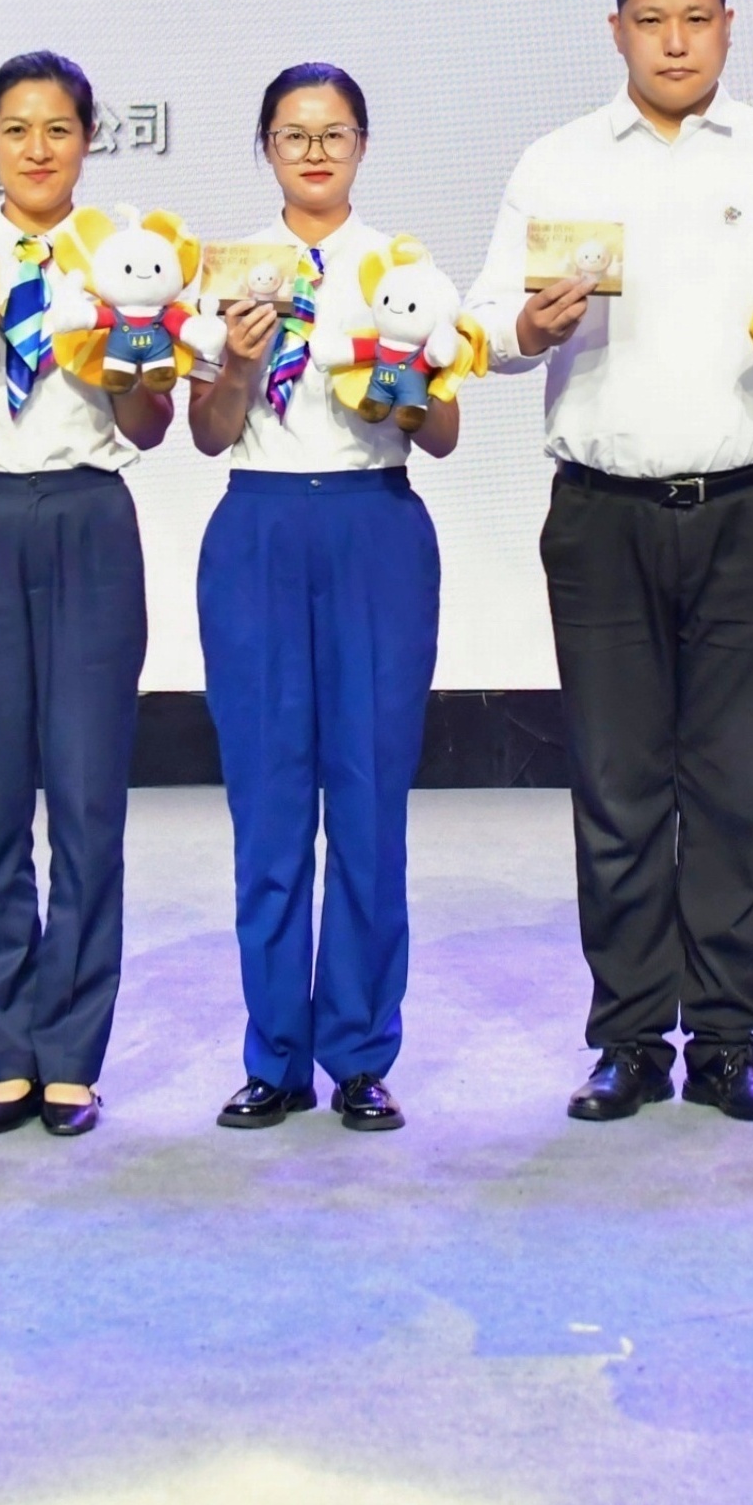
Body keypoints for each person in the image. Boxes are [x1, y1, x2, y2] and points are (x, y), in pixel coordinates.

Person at [464, 0, 753, 1125]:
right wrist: (529, 322)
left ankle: (728, 1040)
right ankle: (628, 1037)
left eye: (697, 18)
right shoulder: (558, 160)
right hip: (604, 514)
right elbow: (484, 323)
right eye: (652, 20)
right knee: (619, 785)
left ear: (728, 25)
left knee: (741, 788)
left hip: (750, 507)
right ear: (616, 30)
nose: (676, 41)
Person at [0, 51, 177, 1137]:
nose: (38, 149)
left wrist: (127, 362)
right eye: (17, 128)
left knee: (90, 797)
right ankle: (6, 1051)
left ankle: (73, 1055)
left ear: (88, 139)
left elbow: (150, 425)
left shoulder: (129, 260)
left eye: (58, 128)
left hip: (90, 514)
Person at [185, 64, 459, 1136]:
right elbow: (208, 433)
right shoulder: (225, 272)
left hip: (372, 527)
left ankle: (359, 1051)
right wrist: (236, 364)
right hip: (257, 528)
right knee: (267, 804)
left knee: (368, 800)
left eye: (333, 133)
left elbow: (443, 435)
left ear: (362, 145)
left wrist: (408, 387)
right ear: (266, 146)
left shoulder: (403, 269)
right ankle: (273, 1054)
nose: (313, 152)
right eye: (293, 134)